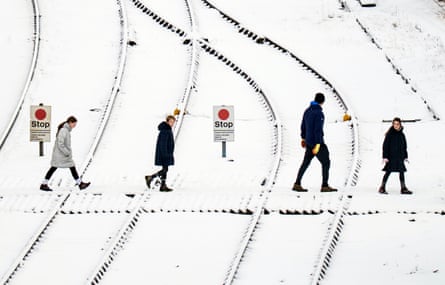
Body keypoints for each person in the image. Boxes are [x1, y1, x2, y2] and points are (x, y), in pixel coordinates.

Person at [293, 93, 337, 192]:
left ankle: (297, 183)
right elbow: (318, 130)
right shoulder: (319, 114)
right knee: (326, 162)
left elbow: (303, 125)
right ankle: (324, 185)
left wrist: (303, 138)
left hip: (308, 142)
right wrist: (318, 144)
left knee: (305, 163)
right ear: (323, 102)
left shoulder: (307, 111)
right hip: (317, 143)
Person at [40, 116, 90, 191]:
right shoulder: (64, 130)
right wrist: (67, 152)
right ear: (70, 122)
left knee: (61, 167)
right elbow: (60, 143)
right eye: (74, 124)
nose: (74, 126)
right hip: (61, 155)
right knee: (57, 167)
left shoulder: (66, 130)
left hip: (62, 155)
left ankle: (80, 183)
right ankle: (80, 184)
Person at [378, 117, 412, 194]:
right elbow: (385, 146)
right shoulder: (389, 134)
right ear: (393, 124)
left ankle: (403, 188)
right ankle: (382, 187)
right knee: (388, 171)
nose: (396, 125)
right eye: (394, 124)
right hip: (391, 157)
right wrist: (385, 157)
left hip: (399, 157)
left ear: (400, 124)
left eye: (397, 124)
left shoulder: (402, 135)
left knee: (401, 171)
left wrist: (405, 156)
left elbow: (404, 146)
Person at [145, 115, 176, 192]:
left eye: (173, 122)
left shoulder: (167, 129)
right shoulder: (165, 130)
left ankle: (163, 185)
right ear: (167, 121)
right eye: (171, 122)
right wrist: (165, 154)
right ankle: (150, 177)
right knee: (165, 169)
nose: (172, 123)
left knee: (165, 169)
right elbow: (163, 143)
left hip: (166, 153)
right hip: (165, 154)